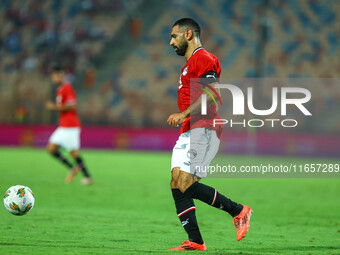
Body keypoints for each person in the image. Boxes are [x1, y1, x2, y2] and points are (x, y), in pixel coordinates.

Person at [167, 18, 252, 251]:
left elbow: (212, 93)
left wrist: (184, 113)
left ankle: (239, 210)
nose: (171, 42)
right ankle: (195, 240)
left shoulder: (204, 58)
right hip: (189, 129)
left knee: (185, 183)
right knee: (177, 184)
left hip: (203, 127)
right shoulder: (190, 64)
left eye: (174, 36)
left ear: (188, 34)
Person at [45, 65, 93, 185]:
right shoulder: (60, 89)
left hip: (70, 126)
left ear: (62, 76)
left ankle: (87, 177)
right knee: (51, 149)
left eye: (57, 76)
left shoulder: (67, 88)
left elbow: (73, 106)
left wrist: (54, 107)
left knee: (74, 153)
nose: (54, 79)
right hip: (64, 126)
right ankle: (74, 169)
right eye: (53, 76)